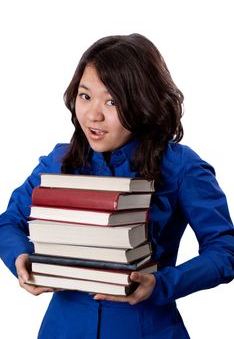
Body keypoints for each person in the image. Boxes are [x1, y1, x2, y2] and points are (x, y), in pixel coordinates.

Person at [0, 33, 233, 339]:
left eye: (112, 101)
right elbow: (9, 223)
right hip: (63, 328)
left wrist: (163, 284)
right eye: (85, 96)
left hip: (146, 329)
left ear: (143, 101)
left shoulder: (181, 167)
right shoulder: (57, 162)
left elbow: (225, 250)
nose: (93, 115)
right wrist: (21, 259)